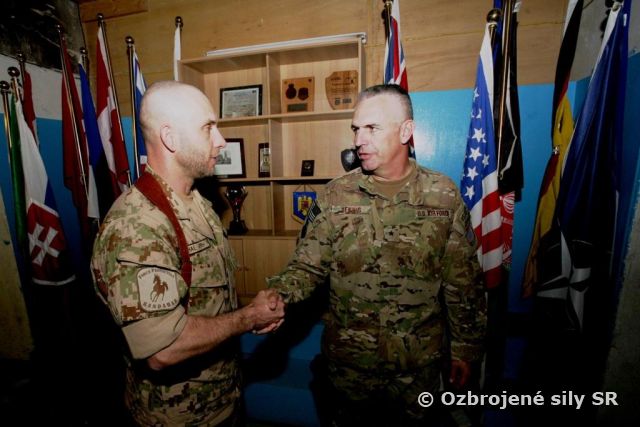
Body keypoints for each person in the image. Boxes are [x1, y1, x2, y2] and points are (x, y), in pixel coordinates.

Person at [267, 84, 486, 426]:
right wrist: (276, 295)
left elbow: (463, 281)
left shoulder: (442, 196)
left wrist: (465, 350)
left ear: (406, 131)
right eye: (356, 129)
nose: (359, 140)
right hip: (350, 366)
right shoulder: (336, 195)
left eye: (372, 128)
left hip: (417, 367)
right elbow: (306, 267)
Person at [91, 81, 285, 426]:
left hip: (222, 398)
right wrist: (247, 318)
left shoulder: (198, 202)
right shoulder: (138, 226)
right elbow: (162, 349)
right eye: (208, 128)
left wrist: (253, 313)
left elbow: (206, 298)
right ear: (170, 137)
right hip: (177, 416)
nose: (221, 140)